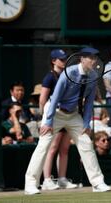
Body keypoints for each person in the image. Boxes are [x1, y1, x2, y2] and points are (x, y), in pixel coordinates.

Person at [24, 47, 111, 195]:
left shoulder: (93, 76)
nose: (94, 60)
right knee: (43, 145)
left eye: (95, 58)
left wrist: (86, 124)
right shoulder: (68, 73)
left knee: (86, 143)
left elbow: (89, 102)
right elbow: (55, 97)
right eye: (90, 57)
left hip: (73, 115)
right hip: (55, 112)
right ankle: (30, 184)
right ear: (82, 59)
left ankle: (98, 182)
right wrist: (48, 121)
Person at [39, 49, 78, 191]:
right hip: (53, 116)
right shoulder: (49, 77)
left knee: (64, 149)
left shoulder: (68, 76)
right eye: (61, 59)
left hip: (67, 114)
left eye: (65, 59)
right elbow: (43, 99)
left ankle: (62, 179)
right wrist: (43, 118)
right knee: (52, 147)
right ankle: (47, 180)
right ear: (53, 61)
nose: (64, 61)